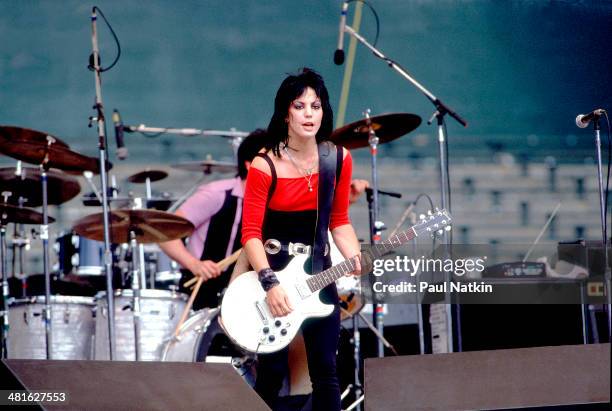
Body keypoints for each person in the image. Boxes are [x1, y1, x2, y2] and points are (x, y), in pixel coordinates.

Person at [241, 68, 362, 411]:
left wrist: (354, 256)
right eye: (300, 106)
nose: (309, 113)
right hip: (273, 273)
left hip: (319, 271)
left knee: (326, 370)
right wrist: (270, 283)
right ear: (286, 113)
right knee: (271, 372)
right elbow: (250, 233)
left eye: (316, 105)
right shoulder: (265, 165)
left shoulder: (337, 159)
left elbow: (339, 221)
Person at [159, 129, 265, 309]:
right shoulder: (216, 194)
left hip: (245, 293)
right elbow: (165, 233)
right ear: (249, 164)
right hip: (201, 288)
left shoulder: (275, 202)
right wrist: (195, 264)